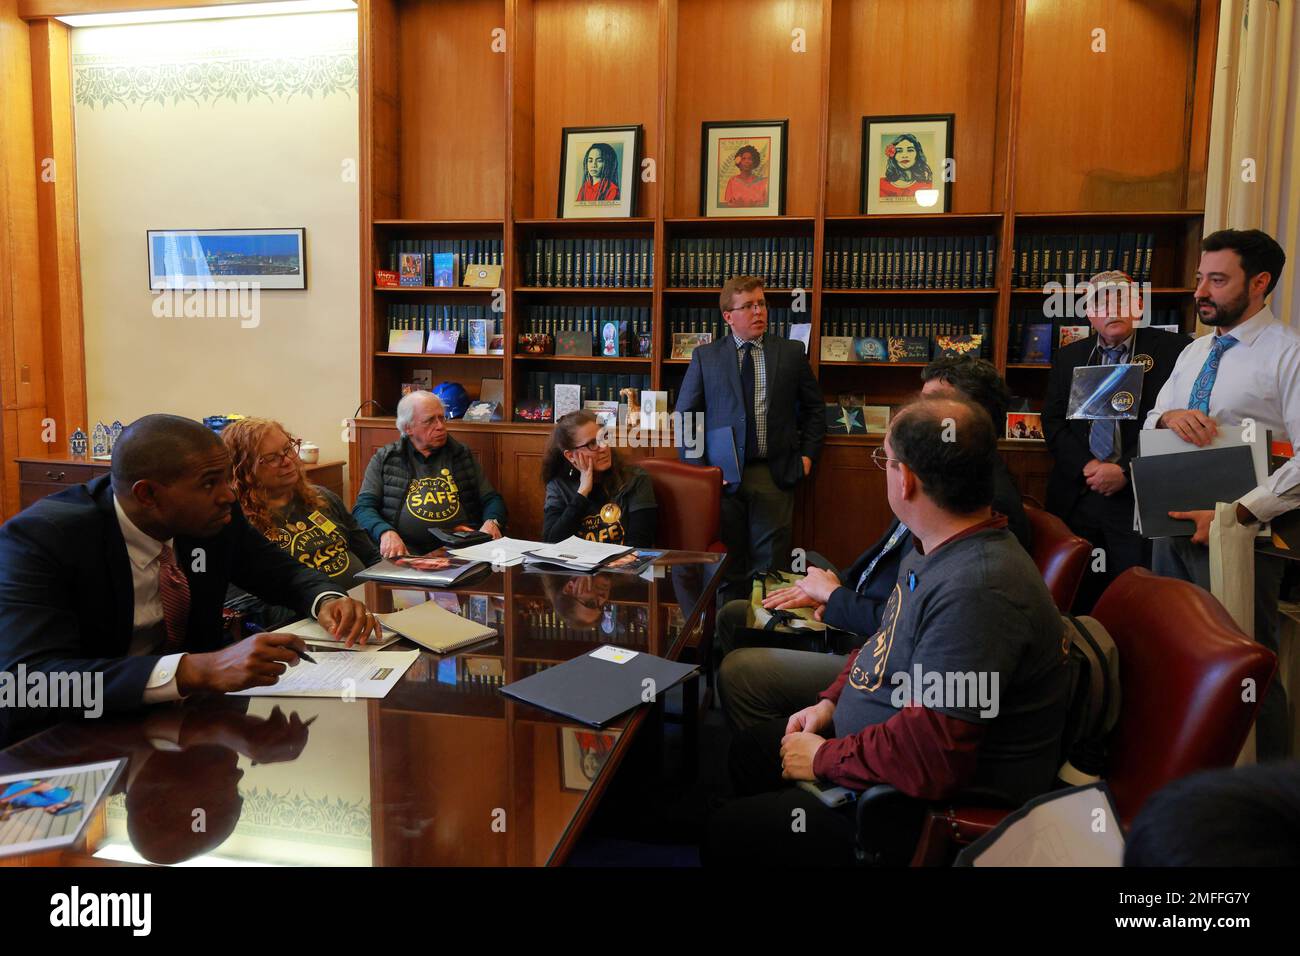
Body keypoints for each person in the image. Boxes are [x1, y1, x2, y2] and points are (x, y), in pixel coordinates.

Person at [704, 398, 1071, 866]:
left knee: (724, 833)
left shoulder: (979, 590)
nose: (885, 471)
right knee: (749, 752)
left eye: (885, 459)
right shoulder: (933, 543)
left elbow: (932, 756)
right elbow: (883, 641)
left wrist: (823, 759)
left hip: (902, 805)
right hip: (875, 743)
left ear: (906, 479)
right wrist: (830, 703)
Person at [0, 414, 378, 744]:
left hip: (188, 725)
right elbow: (32, 682)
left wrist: (327, 599)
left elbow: (278, 571)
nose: (229, 494)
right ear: (147, 494)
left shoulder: (212, 519)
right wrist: (194, 670)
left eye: (229, 478)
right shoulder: (42, 541)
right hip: (72, 742)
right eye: (210, 483)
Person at [716, 355, 1034, 732]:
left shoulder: (966, 506)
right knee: (735, 613)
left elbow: (912, 632)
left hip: (872, 647)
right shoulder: (938, 491)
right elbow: (888, 574)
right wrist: (830, 591)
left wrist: (835, 600)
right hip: (863, 628)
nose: (916, 414)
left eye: (929, 407)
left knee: (741, 672)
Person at [1144, 228, 1298, 761]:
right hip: (1171, 529)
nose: (1200, 292)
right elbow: (1152, 416)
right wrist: (1170, 414)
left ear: (1259, 283)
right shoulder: (1193, 352)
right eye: (1198, 279)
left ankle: (1268, 800)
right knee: (1174, 656)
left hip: (1240, 535)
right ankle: (1186, 779)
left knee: (1245, 666)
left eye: (1216, 279)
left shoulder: (1289, 354)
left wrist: (1237, 515)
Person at [1043, 270, 1189, 612]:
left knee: (1134, 595)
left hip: (1137, 495)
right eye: (1102, 302)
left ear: (1139, 305)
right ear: (1089, 312)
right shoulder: (1070, 356)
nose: (1113, 309)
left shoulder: (1175, 351)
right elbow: (1052, 422)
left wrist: (1124, 469)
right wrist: (1089, 466)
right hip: (1079, 493)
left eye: (1122, 299)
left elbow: (1176, 422)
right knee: (1076, 591)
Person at [675, 275, 825, 602]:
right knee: (726, 568)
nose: (759, 312)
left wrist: (809, 455)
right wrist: (701, 474)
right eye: (748, 306)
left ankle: (762, 647)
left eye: (762, 304)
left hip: (775, 473)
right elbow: (686, 416)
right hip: (723, 479)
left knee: (769, 570)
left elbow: (815, 409)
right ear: (728, 316)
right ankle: (725, 644)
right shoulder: (706, 357)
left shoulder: (790, 352)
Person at [221, 417, 381, 629]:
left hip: (367, 611)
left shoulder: (322, 498)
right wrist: (320, 613)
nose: (287, 460)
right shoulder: (236, 522)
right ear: (244, 471)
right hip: (308, 626)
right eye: (271, 458)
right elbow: (249, 605)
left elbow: (371, 558)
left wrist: (389, 598)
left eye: (288, 448)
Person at [353, 391, 507, 558]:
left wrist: (492, 522)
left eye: (442, 418)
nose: (440, 426)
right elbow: (363, 508)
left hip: (461, 550)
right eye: (430, 421)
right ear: (408, 428)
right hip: (404, 551)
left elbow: (491, 499)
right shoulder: (385, 458)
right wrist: (385, 532)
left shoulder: (461, 455)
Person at [542, 410, 657, 547]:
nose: (603, 447)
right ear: (570, 456)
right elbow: (551, 542)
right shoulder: (559, 486)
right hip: (577, 566)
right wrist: (582, 492)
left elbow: (640, 543)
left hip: (621, 566)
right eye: (592, 444)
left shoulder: (635, 479)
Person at [877, 133, 934, 199]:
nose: (904, 155)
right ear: (893, 155)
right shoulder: (881, 185)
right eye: (899, 151)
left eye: (910, 150)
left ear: (917, 154)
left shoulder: (928, 186)